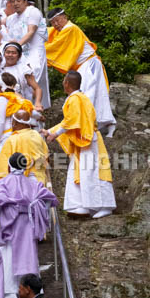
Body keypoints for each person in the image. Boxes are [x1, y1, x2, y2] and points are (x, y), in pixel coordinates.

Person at [44, 70, 116, 219]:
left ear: (67, 83)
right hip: (84, 141)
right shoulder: (78, 97)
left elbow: (72, 120)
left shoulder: (76, 98)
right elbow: (69, 121)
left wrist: (54, 134)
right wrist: (50, 131)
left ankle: (105, 206)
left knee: (93, 172)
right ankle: (82, 205)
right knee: (82, 172)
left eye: (64, 81)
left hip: (88, 140)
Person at [0, 153, 58, 298]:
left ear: (9, 166)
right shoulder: (33, 183)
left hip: (11, 223)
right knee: (28, 255)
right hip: (28, 223)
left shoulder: (4, 182)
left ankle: (10, 292)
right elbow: (49, 198)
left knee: (9, 255)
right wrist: (35, 210)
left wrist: (7, 212)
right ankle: (32, 291)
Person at [45, 8, 116, 136]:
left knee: (86, 96)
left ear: (64, 17)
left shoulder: (70, 29)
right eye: (52, 22)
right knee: (93, 96)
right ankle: (99, 123)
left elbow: (53, 46)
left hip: (89, 65)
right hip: (85, 66)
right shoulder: (61, 31)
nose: (55, 25)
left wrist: (39, 51)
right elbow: (47, 33)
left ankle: (92, 123)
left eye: (57, 21)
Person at [5, 0, 50, 109]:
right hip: (19, 56)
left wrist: (16, 47)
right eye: (13, 1)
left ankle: (35, 109)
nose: (15, 4)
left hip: (34, 53)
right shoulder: (11, 19)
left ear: (25, 1)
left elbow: (31, 32)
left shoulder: (32, 11)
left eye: (18, 1)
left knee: (32, 82)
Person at [0, 109, 49, 188]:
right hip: (39, 179)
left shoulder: (12, 139)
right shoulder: (37, 136)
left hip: (19, 182)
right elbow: (46, 158)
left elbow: (4, 166)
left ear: (15, 123)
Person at [0, 73, 33, 160]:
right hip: (21, 136)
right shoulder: (20, 99)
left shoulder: (1, 99)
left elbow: (0, 122)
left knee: (4, 168)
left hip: (7, 137)